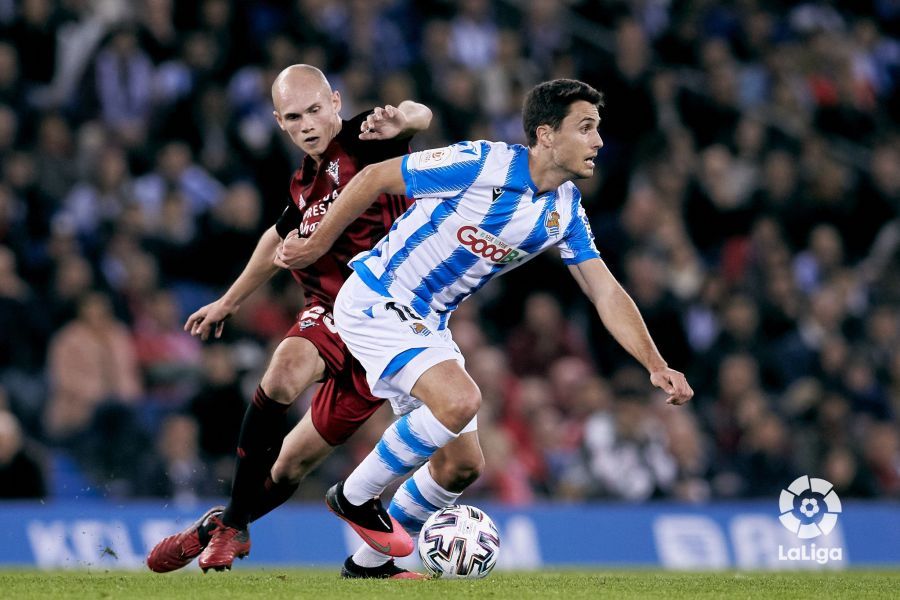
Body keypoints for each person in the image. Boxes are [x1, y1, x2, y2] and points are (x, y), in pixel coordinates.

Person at [290, 79, 694, 556]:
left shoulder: (564, 212)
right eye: (585, 128)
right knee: (461, 400)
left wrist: (655, 363)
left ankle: (368, 565)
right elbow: (375, 178)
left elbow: (604, 290)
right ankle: (354, 497)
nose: (598, 142)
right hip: (378, 296)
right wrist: (316, 245)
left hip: (427, 322)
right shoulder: (484, 163)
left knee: (461, 464)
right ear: (546, 135)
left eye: (598, 130)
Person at [146, 64, 437, 578]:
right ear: (281, 123)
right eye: (294, 116)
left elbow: (417, 116)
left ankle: (216, 527)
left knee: (289, 468)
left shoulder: (365, 139)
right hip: (329, 311)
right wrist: (229, 301)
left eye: (316, 110)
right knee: (282, 373)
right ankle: (235, 524)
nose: (307, 123)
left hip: (386, 329)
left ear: (337, 103)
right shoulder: (303, 183)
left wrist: (406, 117)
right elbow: (274, 237)